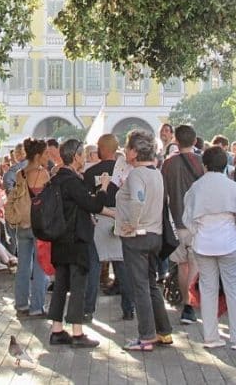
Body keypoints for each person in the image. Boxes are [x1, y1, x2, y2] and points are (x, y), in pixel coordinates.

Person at [183, 146, 236, 350]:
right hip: (230, 242)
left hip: (203, 243)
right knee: (234, 288)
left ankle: (210, 336)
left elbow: (187, 218)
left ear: (204, 165)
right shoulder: (232, 187)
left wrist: (198, 231)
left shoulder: (196, 187)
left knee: (208, 289)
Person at [46, 139, 113, 349]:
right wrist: (103, 188)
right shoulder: (72, 181)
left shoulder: (56, 179)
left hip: (59, 240)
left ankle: (57, 330)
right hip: (76, 240)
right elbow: (92, 203)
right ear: (75, 156)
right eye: (82, 154)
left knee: (60, 286)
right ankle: (77, 332)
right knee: (77, 286)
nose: (84, 158)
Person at [114, 130, 173, 351]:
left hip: (137, 237)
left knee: (140, 286)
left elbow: (138, 199)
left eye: (128, 147)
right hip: (155, 235)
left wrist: (133, 223)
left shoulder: (137, 174)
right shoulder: (156, 172)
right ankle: (163, 331)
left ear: (135, 152)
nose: (125, 151)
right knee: (151, 284)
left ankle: (146, 336)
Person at [83, 134, 133, 322]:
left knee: (94, 267)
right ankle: (129, 308)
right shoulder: (128, 171)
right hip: (122, 219)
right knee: (122, 266)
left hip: (98, 219)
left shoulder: (90, 173)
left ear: (102, 149)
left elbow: (87, 200)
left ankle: (88, 309)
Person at [160, 124, 204, 326]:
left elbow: (163, 192)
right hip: (198, 221)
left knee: (182, 265)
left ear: (175, 140)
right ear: (195, 141)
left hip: (175, 220)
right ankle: (191, 304)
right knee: (195, 263)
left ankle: (186, 303)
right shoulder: (202, 162)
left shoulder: (168, 163)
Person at [6, 138, 50, 318]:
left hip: (22, 223)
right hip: (39, 225)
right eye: (46, 153)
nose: (47, 156)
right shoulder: (43, 174)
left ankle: (21, 304)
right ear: (38, 155)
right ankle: (37, 307)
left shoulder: (20, 173)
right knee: (40, 267)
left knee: (23, 266)